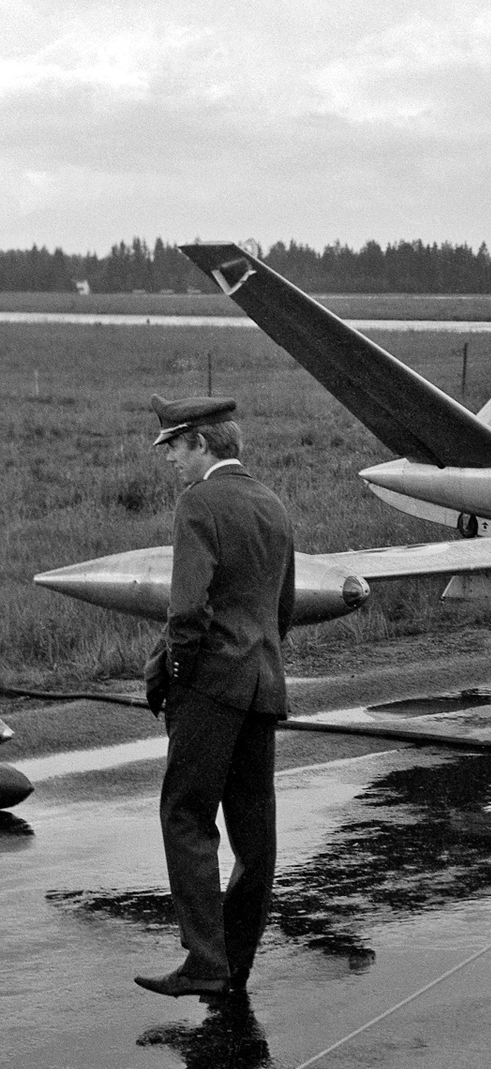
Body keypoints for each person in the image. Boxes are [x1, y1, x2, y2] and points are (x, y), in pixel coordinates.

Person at [136, 395, 295, 1001]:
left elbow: (187, 609)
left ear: (202, 442)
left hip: (210, 687)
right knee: (256, 835)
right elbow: (281, 609)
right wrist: (256, 661)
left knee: (186, 816)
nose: (170, 459)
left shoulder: (199, 503)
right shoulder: (270, 502)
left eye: (174, 446)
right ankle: (235, 961)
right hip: (262, 684)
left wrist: (177, 675)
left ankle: (205, 961)